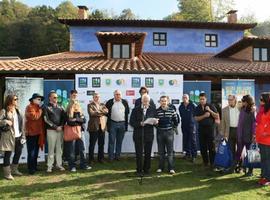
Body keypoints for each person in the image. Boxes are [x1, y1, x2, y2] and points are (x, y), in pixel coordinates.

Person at [130, 94, 158, 176]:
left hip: (149, 135)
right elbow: (131, 122)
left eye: (147, 101)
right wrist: (140, 123)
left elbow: (156, 121)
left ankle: (147, 169)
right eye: (144, 100)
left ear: (149, 101)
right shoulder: (135, 109)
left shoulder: (153, 109)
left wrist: (156, 122)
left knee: (148, 153)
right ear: (141, 101)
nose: (146, 102)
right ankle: (139, 170)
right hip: (138, 134)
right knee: (139, 153)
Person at [0, 94, 25, 180]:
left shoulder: (18, 110)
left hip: (19, 136)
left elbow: (22, 124)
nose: (16, 100)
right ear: (10, 100)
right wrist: (5, 121)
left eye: (17, 99)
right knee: (8, 155)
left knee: (18, 153)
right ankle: (7, 174)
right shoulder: (4, 111)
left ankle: (14, 170)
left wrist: (23, 136)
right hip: (8, 136)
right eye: (15, 99)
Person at [44, 90, 66, 173]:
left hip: (60, 130)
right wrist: (55, 127)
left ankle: (59, 164)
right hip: (51, 130)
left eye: (57, 97)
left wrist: (61, 126)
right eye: (54, 97)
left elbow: (64, 118)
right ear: (50, 98)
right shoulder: (46, 107)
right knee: (51, 149)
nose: (56, 98)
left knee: (59, 149)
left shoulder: (60, 107)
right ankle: (50, 166)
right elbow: (46, 120)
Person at [66, 100, 91, 172]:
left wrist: (76, 119)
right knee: (72, 150)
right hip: (72, 132)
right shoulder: (68, 112)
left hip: (81, 132)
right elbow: (69, 122)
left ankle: (83, 165)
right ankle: (72, 166)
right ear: (71, 105)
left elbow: (84, 120)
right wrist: (79, 121)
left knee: (82, 149)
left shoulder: (80, 112)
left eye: (77, 104)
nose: (75, 106)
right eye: (74, 104)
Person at [156, 96, 179, 174]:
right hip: (160, 133)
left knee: (170, 152)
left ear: (167, 102)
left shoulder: (172, 110)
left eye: (165, 101)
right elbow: (155, 123)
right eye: (162, 101)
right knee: (161, 152)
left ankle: (171, 168)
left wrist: (172, 128)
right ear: (160, 102)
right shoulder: (157, 111)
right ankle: (160, 167)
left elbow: (176, 121)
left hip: (169, 132)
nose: (163, 102)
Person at [195, 93, 218, 168]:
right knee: (202, 147)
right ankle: (205, 163)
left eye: (203, 99)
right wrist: (204, 115)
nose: (202, 101)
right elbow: (196, 118)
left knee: (211, 147)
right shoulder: (198, 107)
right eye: (200, 99)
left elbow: (217, 116)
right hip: (201, 129)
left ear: (206, 99)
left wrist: (210, 111)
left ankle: (213, 163)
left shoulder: (210, 106)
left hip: (210, 129)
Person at [106, 90, 129, 161]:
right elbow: (106, 113)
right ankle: (110, 157)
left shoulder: (124, 102)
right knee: (111, 141)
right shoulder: (109, 102)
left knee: (119, 141)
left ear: (121, 95)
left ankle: (117, 156)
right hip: (112, 123)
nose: (118, 96)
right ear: (114, 95)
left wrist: (125, 126)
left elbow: (127, 113)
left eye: (119, 94)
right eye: (116, 94)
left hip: (122, 124)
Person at [25, 93, 46, 175]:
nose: (40, 101)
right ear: (33, 100)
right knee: (31, 152)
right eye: (38, 99)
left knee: (36, 151)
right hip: (31, 133)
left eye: (40, 99)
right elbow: (34, 117)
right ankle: (31, 169)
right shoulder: (29, 107)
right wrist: (40, 110)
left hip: (38, 132)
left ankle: (34, 166)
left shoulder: (38, 107)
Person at [235, 95, 256, 176]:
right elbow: (240, 123)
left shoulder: (252, 110)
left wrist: (253, 135)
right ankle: (239, 167)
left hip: (249, 136)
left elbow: (254, 124)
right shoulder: (242, 109)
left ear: (247, 102)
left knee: (250, 153)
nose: (242, 102)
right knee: (239, 152)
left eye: (243, 101)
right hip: (241, 135)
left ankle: (250, 171)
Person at [221, 95, 240, 172]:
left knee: (240, 150)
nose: (229, 101)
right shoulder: (224, 110)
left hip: (239, 131)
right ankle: (232, 166)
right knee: (231, 150)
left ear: (235, 100)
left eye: (231, 100)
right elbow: (223, 123)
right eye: (228, 100)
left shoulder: (240, 108)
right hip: (229, 131)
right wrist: (224, 134)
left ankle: (239, 166)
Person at [88, 93, 108, 165]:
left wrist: (98, 112)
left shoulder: (102, 104)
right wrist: (101, 113)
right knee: (92, 144)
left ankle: (101, 158)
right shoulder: (90, 105)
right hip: (94, 127)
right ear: (93, 98)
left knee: (101, 144)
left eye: (98, 97)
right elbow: (91, 113)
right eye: (95, 97)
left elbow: (106, 111)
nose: (97, 98)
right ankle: (91, 160)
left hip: (102, 127)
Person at [256, 92, 270, 186]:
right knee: (263, 159)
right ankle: (264, 175)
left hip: (267, 139)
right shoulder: (262, 108)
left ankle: (268, 178)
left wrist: (267, 132)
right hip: (260, 138)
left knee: (267, 159)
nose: (259, 101)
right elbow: (257, 120)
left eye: (261, 99)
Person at [179, 94, 197, 162]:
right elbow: (181, 115)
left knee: (193, 141)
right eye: (183, 98)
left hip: (191, 125)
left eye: (186, 97)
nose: (184, 99)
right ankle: (188, 154)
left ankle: (194, 155)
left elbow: (196, 112)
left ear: (188, 98)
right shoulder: (181, 107)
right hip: (184, 125)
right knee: (186, 140)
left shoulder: (192, 105)